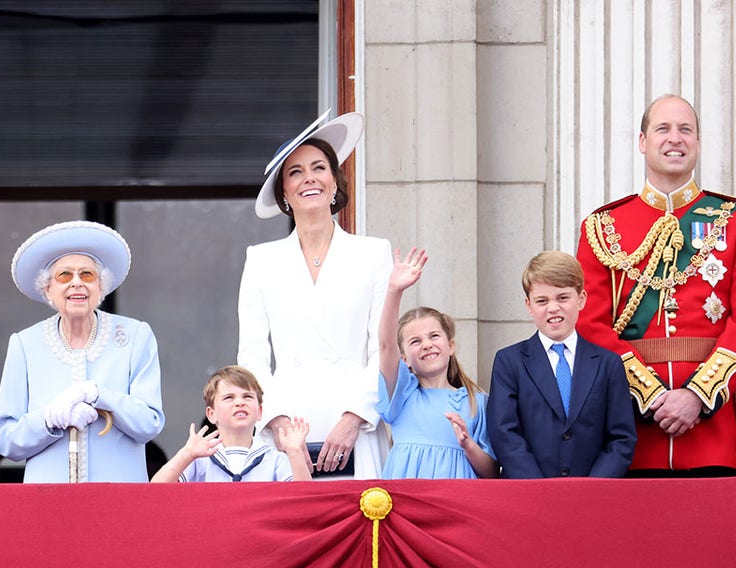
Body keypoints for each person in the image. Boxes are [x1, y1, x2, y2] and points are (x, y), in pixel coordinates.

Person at [575, 95, 736, 477]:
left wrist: (697, 396)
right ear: (643, 142)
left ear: (697, 143)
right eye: (663, 129)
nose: (675, 139)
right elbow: (589, 323)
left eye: (686, 130)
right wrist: (650, 396)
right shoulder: (602, 227)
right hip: (629, 433)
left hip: (710, 433)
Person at [239, 110, 393, 479]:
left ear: (335, 183)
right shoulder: (261, 260)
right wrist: (275, 420)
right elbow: (252, 353)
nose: (309, 178)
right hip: (287, 428)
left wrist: (356, 417)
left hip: (357, 425)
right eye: (295, 172)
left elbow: (382, 347)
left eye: (318, 168)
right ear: (284, 194)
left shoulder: (373, 253)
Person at [0, 220, 164, 482]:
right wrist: (49, 420)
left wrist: (99, 395)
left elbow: (148, 423)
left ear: (101, 288)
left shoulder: (135, 336)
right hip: (48, 500)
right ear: (48, 289)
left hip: (119, 498)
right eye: (64, 275)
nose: (77, 283)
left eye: (87, 275)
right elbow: (6, 441)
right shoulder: (25, 344)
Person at [488, 251, 637, 478]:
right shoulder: (509, 362)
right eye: (542, 301)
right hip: (529, 494)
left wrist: (592, 487)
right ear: (529, 306)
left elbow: (621, 437)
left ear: (582, 299)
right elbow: (504, 432)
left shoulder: (608, 364)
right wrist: (539, 489)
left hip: (591, 495)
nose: (553, 308)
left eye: (562, 297)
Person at [375, 248, 497, 479]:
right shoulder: (402, 395)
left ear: (450, 346)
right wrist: (394, 291)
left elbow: (491, 473)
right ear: (404, 360)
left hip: (456, 502)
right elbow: (386, 346)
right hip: (408, 502)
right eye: (415, 341)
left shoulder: (476, 402)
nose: (426, 344)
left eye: (434, 336)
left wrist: (468, 444)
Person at [151, 365, 312, 482]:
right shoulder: (200, 458)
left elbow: (304, 501)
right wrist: (186, 454)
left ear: (260, 411)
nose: (239, 403)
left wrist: (294, 452)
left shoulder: (275, 459)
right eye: (229, 398)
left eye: (247, 397)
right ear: (211, 414)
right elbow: (156, 489)